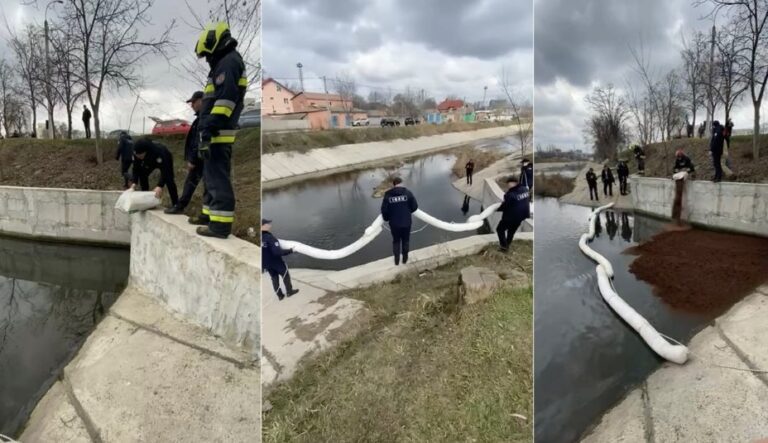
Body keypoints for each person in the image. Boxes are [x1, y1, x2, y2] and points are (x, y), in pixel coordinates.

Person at [192, 22, 247, 239]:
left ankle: (221, 226)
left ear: (215, 45)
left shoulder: (228, 63)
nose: (207, 59)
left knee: (218, 178)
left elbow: (225, 101)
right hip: (213, 131)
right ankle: (209, 216)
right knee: (210, 176)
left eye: (207, 54)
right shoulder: (223, 64)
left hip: (218, 132)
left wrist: (210, 127)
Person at [166, 91, 204, 214]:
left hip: (202, 159)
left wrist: (192, 159)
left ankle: (181, 206)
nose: (191, 105)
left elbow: (198, 141)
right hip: (201, 158)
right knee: (190, 183)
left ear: (201, 100)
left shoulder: (204, 118)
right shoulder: (199, 118)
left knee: (196, 183)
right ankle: (180, 206)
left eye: (193, 102)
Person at [129, 137, 179, 208]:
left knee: (169, 179)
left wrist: (160, 186)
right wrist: (134, 182)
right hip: (148, 161)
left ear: (145, 151)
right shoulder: (136, 154)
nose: (138, 157)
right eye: (137, 156)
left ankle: (176, 204)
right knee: (143, 174)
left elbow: (166, 170)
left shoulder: (158, 151)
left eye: (140, 155)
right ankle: (146, 199)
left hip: (164, 158)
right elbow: (136, 168)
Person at [381, 176, 418, 265]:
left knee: (396, 241)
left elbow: (384, 211)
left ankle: (397, 261)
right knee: (406, 241)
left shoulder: (388, 195)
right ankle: (405, 259)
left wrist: (387, 218)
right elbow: (415, 207)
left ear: (394, 185)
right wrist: (407, 211)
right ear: (401, 184)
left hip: (394, 224)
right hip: (406, 222)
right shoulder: (408, 193)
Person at [261, 219, 299, 301]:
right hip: (276, 262)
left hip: (266, 264)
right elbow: (277, 252)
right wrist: (291, 250)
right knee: (285, 275)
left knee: (274, 278)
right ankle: (289, 291)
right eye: (268, 224)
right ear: (263, 226)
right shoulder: (270, 238)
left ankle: (280, 295)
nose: (270, 225)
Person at [496, 176, 530, 252]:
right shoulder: (525, 189)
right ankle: (507, 245)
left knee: (500, 229)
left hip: (511, 217)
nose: (508, 186)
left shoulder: (510, 194)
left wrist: (497, 209)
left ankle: (504, 247)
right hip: (521, 216)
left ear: (513, 183)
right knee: (511, 231)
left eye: (508, 184)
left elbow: (505, 205)